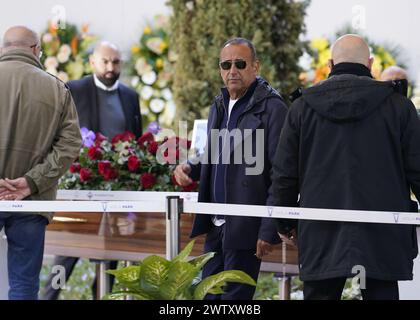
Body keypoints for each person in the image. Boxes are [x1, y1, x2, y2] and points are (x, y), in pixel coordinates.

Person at [268, 34, 420, 300]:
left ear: (329, 64)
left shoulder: (302, 107)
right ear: (371, 63)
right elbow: (417, 168)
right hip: (382, 235)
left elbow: (284, 173)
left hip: (320, 233)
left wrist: (284, 222)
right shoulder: (399, 107)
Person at [174, 38, 288, 300]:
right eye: (226, 64)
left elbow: (280, 174)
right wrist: (190, 166)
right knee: (208, 296)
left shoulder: (273, 108)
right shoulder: (220, 103)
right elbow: (216, 152)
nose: (232, 70)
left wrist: (269, 228)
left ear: (255, 66)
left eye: (240, 63)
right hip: (216, 224)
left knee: (235, 301)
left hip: (246, 227)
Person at [43, 41, 142, 300]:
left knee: (110, 256)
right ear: (92, 63)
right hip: (81, 186)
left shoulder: (130, 96)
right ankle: (47, 296)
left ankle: (101, 297)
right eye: (105, 61)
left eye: (116, 62)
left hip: (118, 188)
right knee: (67, 253)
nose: (111, 67)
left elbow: (138, 141)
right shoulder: (74, 90)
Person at [0, 26, 81, 300]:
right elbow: (70, 143)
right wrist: (30, 182)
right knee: (23, 285)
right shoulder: (56, 88)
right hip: (33, 200)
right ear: (36, 50)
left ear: (3, 48)